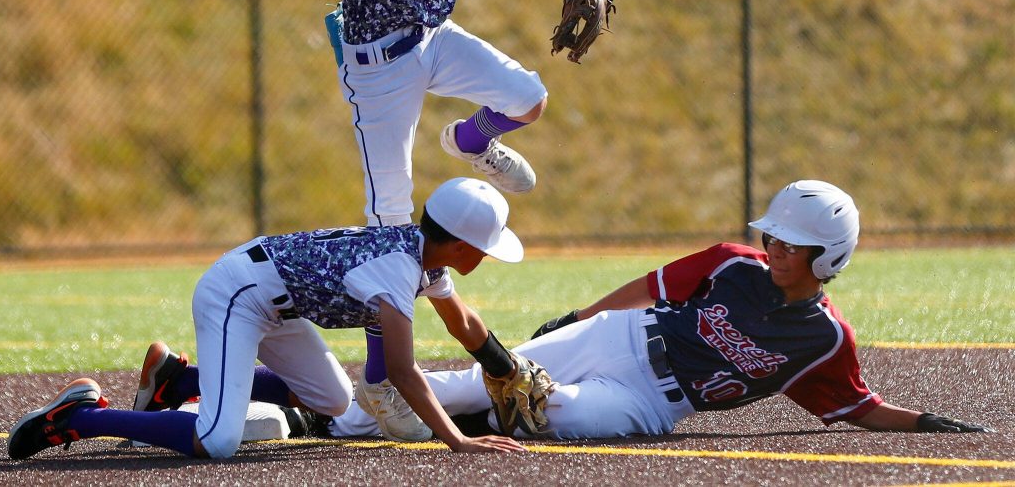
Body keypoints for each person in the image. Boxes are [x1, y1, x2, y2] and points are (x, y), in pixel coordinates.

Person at [261, 0, 613, 420]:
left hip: (434, 39)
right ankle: (378, 383)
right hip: (377, 68)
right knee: (390, 224)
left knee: (528, 97)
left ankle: (472, 141)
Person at [329, 180, 990, 439]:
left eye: (795, 246)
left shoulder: (821, 339)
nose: (777, 250)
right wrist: (575, 319)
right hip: (619, 335)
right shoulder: (735, 261)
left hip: (656, 402)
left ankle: (445, 422)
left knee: (565, 417)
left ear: (831, 257)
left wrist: (932, 422)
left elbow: (857, 406)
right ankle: (331, 417)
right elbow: (650, 287)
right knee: (489, 381)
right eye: (775, 238)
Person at [7, 178, 530, 460]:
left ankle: (177, 380)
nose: (487, 257)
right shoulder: (400, 267)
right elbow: (400, 369)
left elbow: (463, 324)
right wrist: (456, 439)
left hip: (276, 297)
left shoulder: (421, 256)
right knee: (216, 442)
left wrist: (504, 367)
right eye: (485, 249)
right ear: (461, 245)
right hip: (238, 291)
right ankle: (77, 418)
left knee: (334, 402)